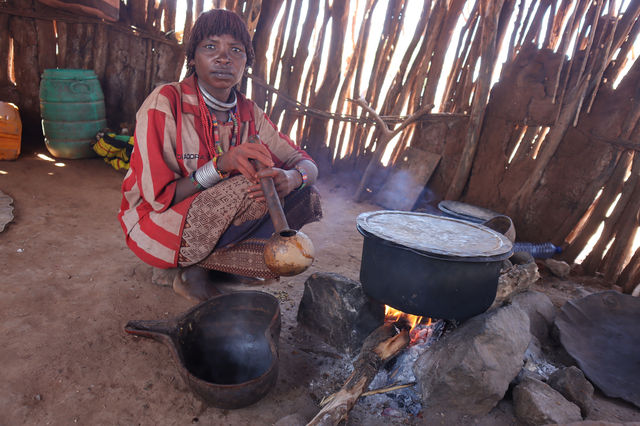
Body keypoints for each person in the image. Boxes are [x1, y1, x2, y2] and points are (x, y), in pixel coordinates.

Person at [118, 9, 322, 302]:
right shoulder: (166, 103)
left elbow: (305, 163)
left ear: (245, 64)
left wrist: (292, 177)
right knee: (248, 185)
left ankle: (216, 264)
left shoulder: (249, 112)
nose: (224, 58)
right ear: (193, 58)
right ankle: (189, 271)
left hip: (214, 216)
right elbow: (160, 197)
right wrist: (221, 164)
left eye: (235, 50)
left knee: (303, 191)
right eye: (210, 47)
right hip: (157, 223)